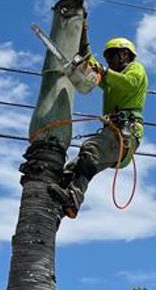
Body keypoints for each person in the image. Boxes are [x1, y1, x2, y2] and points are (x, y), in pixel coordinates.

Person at [48, 37, 147, 219]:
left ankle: (74, 197)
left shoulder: (135, 69)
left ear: (125, 54)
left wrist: (104, 71)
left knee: (91, 149)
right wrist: (83, 35)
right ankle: (61, 209)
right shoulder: (111, 78)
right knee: (73, 168)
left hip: (125, 134)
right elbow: (91, 63)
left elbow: (129, 83)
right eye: (107, 58)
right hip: (113, 135)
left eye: (111, 56)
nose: (108, 61)